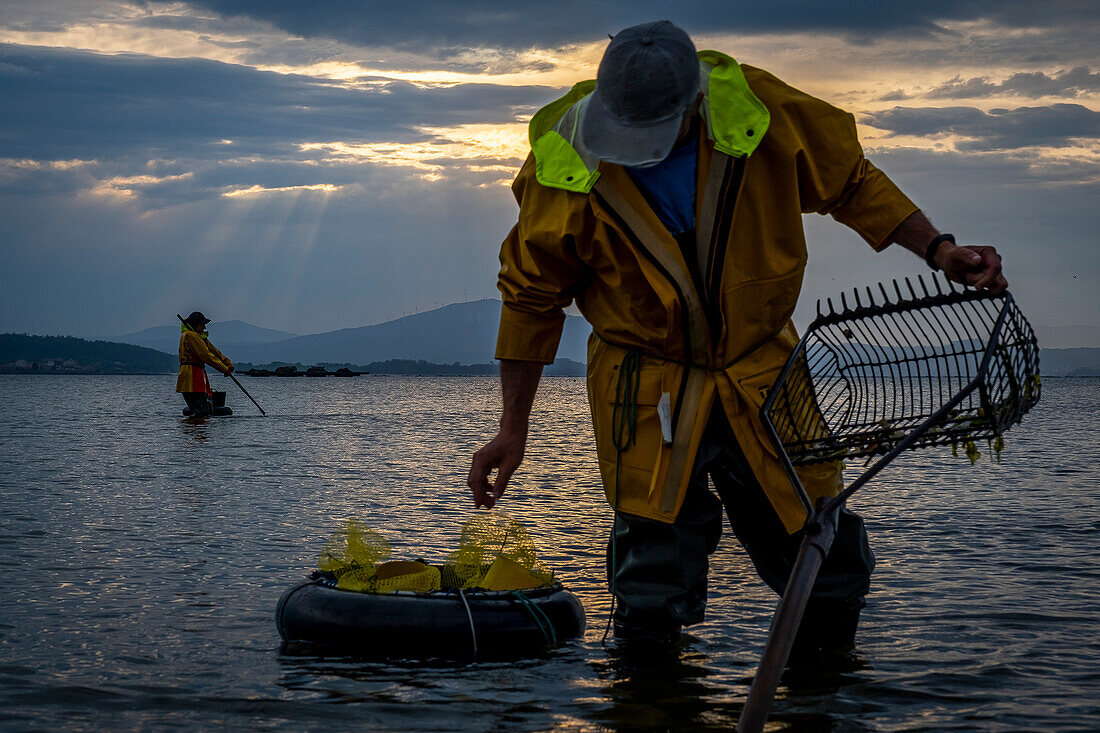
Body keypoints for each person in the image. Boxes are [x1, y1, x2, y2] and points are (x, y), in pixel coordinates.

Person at [467, 21, 1006, 655]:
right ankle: (654, 701)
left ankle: (821, 691)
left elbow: (851, 182)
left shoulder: (763, 114)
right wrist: (512, 427)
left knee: (816, 538)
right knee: (651, 565)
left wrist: (939, 249)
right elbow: (531, 297)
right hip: (642, 380)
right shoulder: (563, 161)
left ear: (696, 102)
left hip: (763, 371)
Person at [176, 311, 234, 417]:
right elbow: (206, 355)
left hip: (195, 375)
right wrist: (224, 369)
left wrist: (227, 363)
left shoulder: (199, 337)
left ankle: (196, 429)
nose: (204, 327)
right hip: (192, 377)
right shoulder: (190, 336)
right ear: (196, 325)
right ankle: (198, 431)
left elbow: (213, 351)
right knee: (201, 411)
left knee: (201, 410)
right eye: (202, 325)